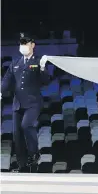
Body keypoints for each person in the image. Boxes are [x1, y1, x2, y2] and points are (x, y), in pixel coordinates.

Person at [1, 32, 49, 172]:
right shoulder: (15, 62)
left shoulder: (38, 60)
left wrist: (42, 68)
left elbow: (45, 81)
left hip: (33, 103)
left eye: (26, 43)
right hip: (18, 103)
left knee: (26, 125)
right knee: (17, 134)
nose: (23, 46)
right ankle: (22, 165)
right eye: (21, 44)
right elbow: (7, 80)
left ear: (32, 45)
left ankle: (34, 154)